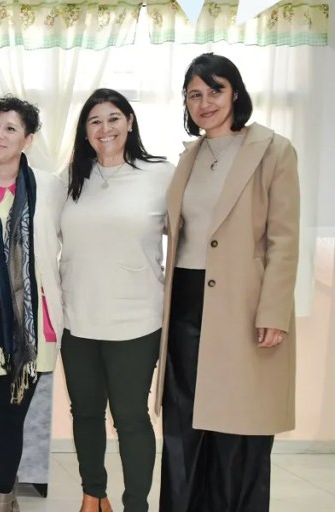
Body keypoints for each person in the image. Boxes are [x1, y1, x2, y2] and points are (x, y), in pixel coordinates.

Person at [158, 53, 299, 512]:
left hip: (241, 306)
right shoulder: (190, 157)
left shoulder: (273, 150)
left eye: (214, 90)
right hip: (185, 305)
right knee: (184, 427)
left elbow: (284, 237)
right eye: (194, 94)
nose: (205, 102)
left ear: (235, 92)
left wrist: (274, 311)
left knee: (239, 429)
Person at [59, 88, 174, 512]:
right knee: (84, 413)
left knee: (130, 418)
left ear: (129, 121)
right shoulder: (71, 179)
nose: (104, 129)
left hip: (136, 321)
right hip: (79, 319)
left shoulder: (160, 174)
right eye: (94, 121)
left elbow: (190, 235)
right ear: (85, 131)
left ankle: (136, 505)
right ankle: (94, 495)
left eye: (113, 119)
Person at [0, 96, 66, 512]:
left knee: (11, 417)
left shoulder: (52, 186)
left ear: (28, 138)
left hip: (34, 327)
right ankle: (0, 494)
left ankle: (0, 497)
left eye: (10, 128)